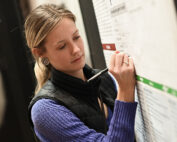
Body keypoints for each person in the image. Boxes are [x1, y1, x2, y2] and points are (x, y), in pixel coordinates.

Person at [25, 4, 137, 142]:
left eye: (76, 37)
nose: (76, 50)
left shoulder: (104, 79)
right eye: (62, 46)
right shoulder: (44, 110)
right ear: (40, 53)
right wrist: (126, 90)